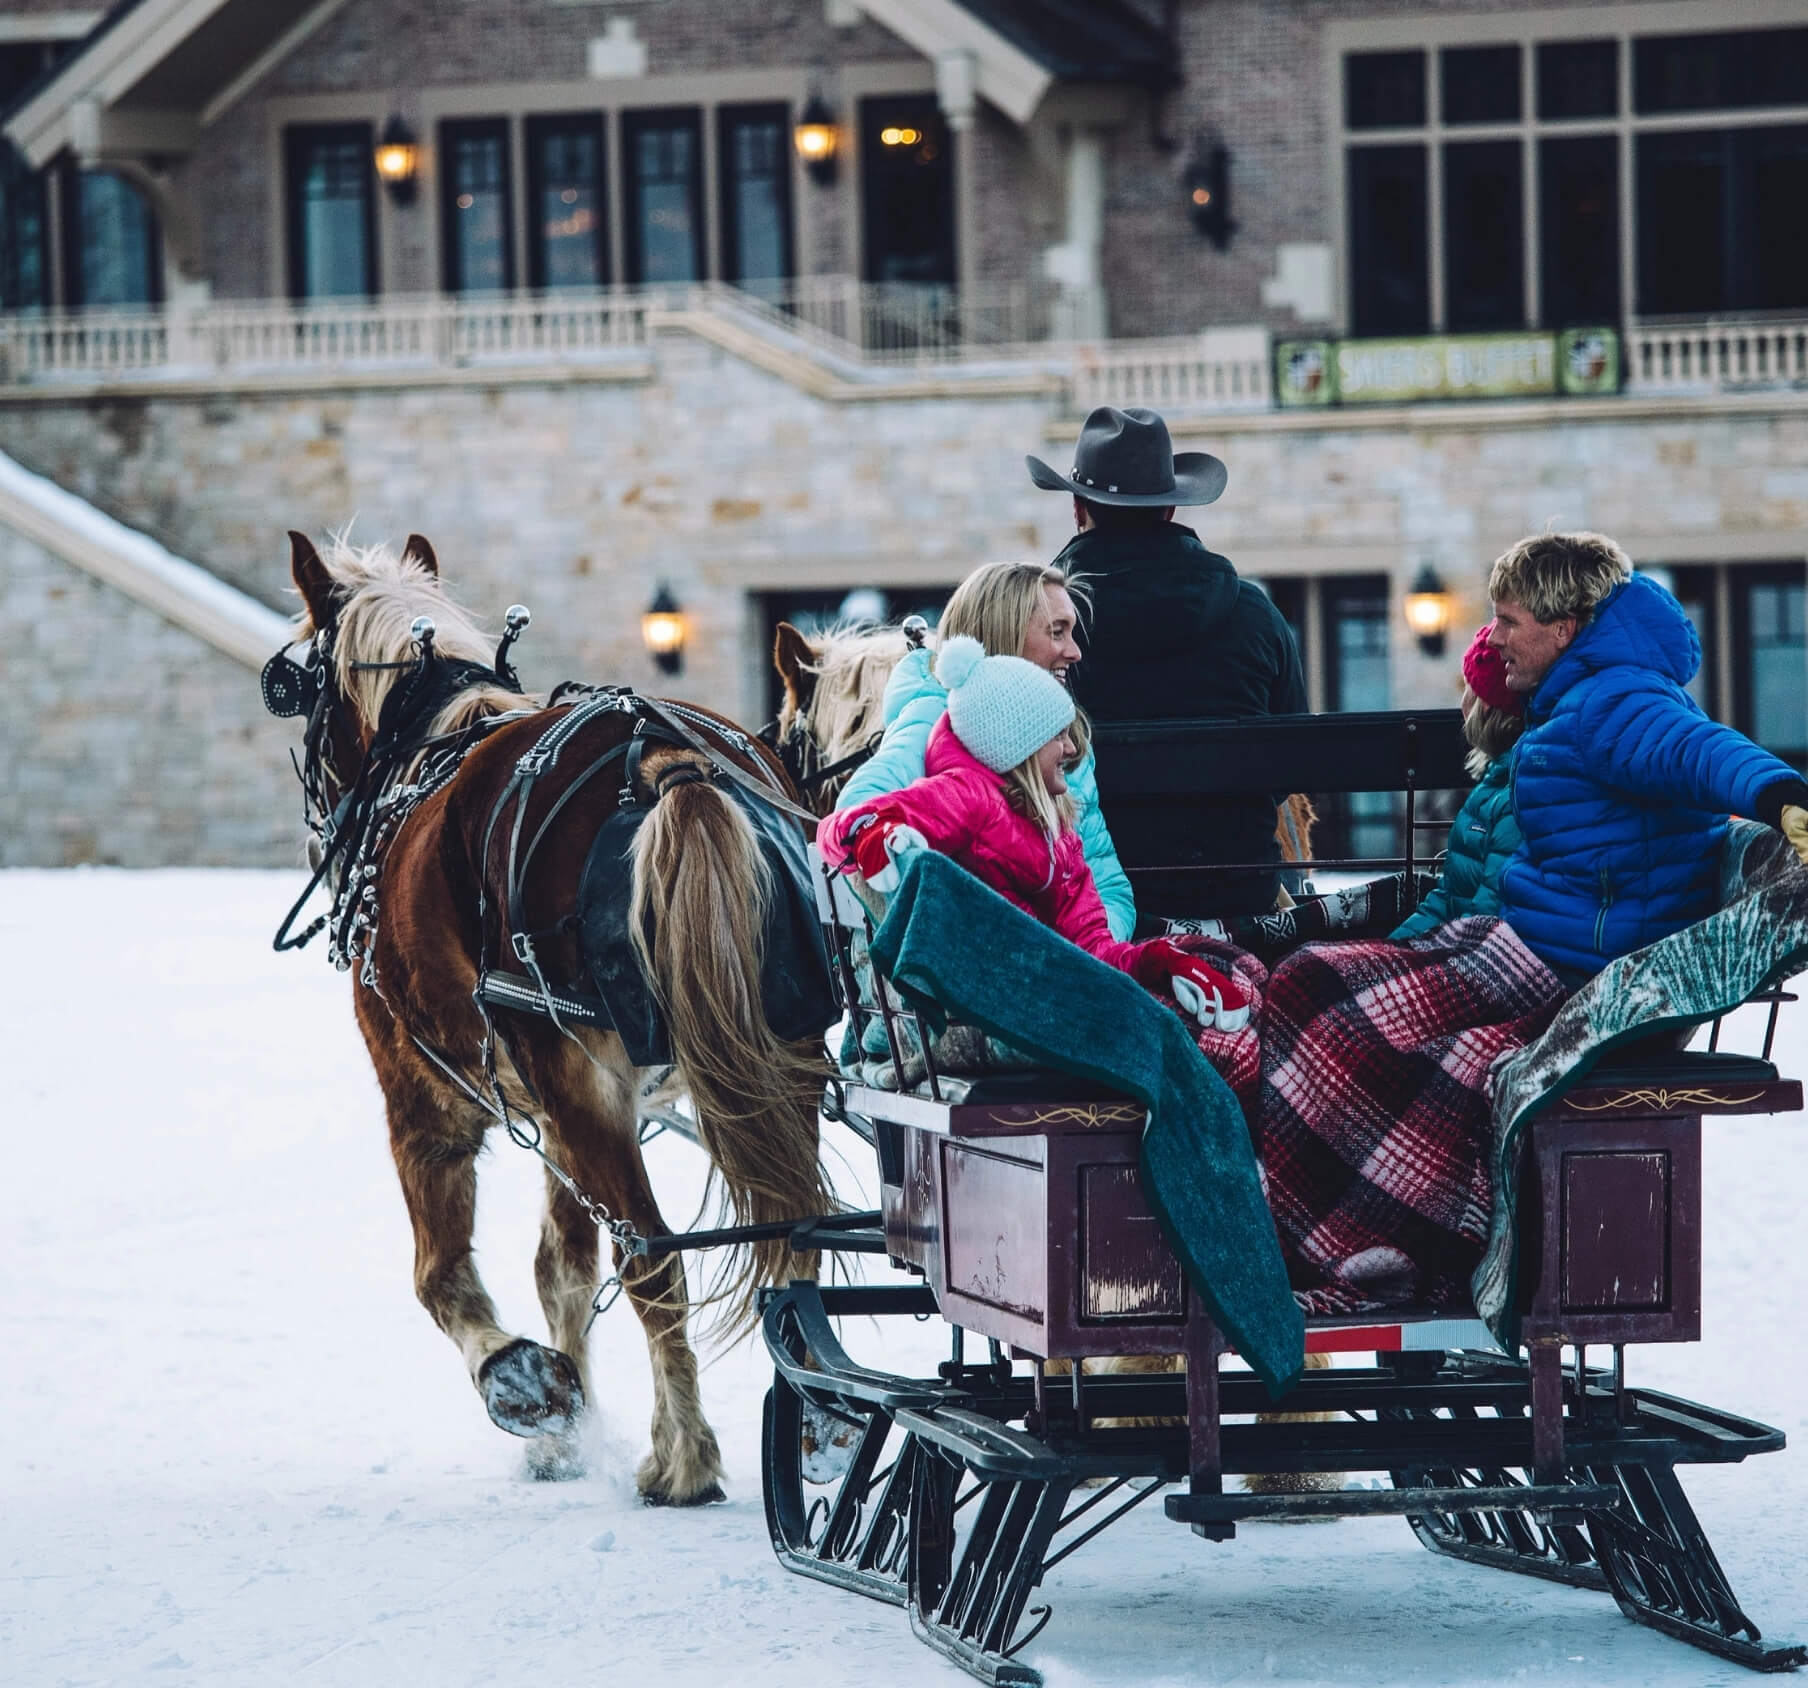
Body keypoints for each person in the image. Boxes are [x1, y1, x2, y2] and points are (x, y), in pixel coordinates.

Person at [819, 636, 1251, 1031]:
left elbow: (1095, 953)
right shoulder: (970, 797)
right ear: (1019, 746)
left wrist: (1160, 961)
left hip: (1043, 998)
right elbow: (845, 824)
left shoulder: (1062, 839)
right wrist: (870, 832)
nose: (1070, 749)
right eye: (1058, 736)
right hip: (991, 1012)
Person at [1487, 531, 1808, 980]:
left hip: (1578, 972)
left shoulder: (1611, 700)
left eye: (1508, 621)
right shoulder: (1575, 700)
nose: (1493, 638)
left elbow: (1694, 749)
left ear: (1562, 629)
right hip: (1537, 947)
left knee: (1357, 1008)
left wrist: (1783, 797)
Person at [1026, 405, 1307, 917]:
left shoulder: (1037, 629)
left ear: (1077, 509)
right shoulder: (1257, 615)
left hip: (1087, 905)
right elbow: (1290, 762)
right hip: (1240, 898)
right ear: (1171, 509)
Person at [836, 558, 1135, 941]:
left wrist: (1083, 956)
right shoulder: (937, 716)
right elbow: (859, 811)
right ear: (1004, 633)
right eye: (1057, 632)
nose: (1075, 652)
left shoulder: (1066, 741)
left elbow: (1107, 884)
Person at [1390, 622, 1526, 940]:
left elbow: (1484, 917)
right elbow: (1447, 898)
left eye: (1468, 688)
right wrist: (1394, 948)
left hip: (1467, 960)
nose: (1461, 701)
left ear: (1485, 706)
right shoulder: (1493, 784)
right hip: (1453, 949)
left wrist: (1406, 959)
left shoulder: (1510, 795)